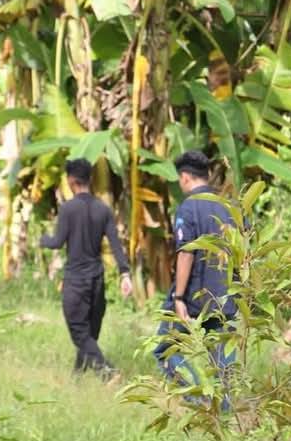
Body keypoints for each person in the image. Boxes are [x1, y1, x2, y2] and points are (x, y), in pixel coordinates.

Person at [40, 158, 132, 377]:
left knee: (79, 331)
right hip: (97, 280)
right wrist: (125, 274)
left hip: (76, 280)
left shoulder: (67, 209)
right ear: (90, 179)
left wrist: (43, 240)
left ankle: (107, 371)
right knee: (89, 332)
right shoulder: (103, 209)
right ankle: (78, 377)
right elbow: (116, 245)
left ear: (71, 181)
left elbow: (57, 242)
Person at [154, 150, 235, 390]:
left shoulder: (189, 207)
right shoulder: (229, 206)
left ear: (185, 177)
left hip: (196, 295)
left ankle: (197, 397)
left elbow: (186, 253)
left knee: (165, 349)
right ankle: (225, 409)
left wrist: (179, 298)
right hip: (227, 294)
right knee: (223, 363)